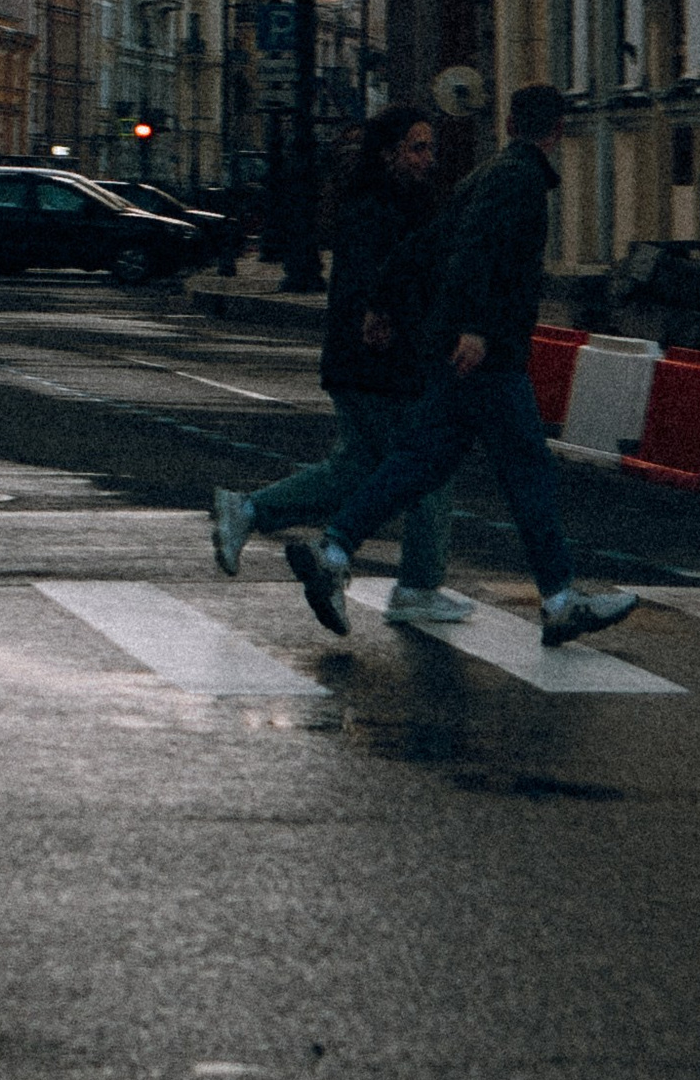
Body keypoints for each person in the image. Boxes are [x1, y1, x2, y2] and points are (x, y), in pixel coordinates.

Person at [282, 80, 641, 654]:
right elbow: (475, 251)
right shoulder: (521, 181)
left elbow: (429, 242)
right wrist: (475, 327)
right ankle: (560, 602)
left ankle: (333, 553)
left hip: (453, 350)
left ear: (507, 124)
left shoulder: (488, 175)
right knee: (528, 471)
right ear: (559, 131)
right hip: (487, 355)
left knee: (417, 465)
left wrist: (383, 299)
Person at [208, 106, 472, 624]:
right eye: (417, 147)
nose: (428, 158)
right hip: (380, 367)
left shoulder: (392, 204)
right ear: (388, 153)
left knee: (357, 471)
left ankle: (249, 511)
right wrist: (401, 329)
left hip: (365, 365)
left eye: (430, 148)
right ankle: (416, 585)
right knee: (427, 466)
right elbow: (371, 286)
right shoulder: (378, 209)